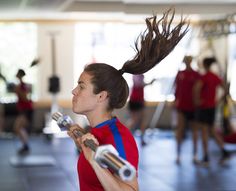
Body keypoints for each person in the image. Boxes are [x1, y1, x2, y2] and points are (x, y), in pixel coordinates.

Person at [67, 8, 189, 191]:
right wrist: (81, 144)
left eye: (81, 86)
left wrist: (95, 161)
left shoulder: (119, 138)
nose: (73, 91)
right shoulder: (95, 132)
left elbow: (131, 189)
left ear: (101, 96)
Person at [194, 57, 230, 166]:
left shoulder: (204, 77)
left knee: (204, 132)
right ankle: (224, 152)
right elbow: (226, 89)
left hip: (204, 107)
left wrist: (197, 101)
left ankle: (206, 158)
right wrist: (218, 100)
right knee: (212, 131)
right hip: (212, 107)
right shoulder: (215, 77)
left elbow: (196, 88)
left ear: (204, 64)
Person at [174, 55, 200, 164]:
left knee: (194, 131)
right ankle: (178, 155)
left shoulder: (196, 74)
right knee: (180, 129)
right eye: (186, 60)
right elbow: (176, 89)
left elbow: (199, 90)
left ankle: (194, 155)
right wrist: (175, 101)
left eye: (189, 60)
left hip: (193, 107)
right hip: (182, 106)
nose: (188, 62)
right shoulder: (180, 74)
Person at [127, 74, 155, 146]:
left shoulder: (140, 73)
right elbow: (138, 84)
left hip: (139, 100)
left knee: (142, 120)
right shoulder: (136, 73)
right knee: (134, 121)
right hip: (135, 100)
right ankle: (126, 138)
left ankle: (141, 140)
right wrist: (149, 83)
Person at [13, 69, 33, 155]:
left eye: (17, 73)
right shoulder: (20, 85)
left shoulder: (21, 85)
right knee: (19, 128)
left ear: (20, 75)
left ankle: (26, 146)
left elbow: (25, 98)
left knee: (17, 128)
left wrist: (18, 91)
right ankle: (25, 145)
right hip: (24, 110)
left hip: (26, 110)